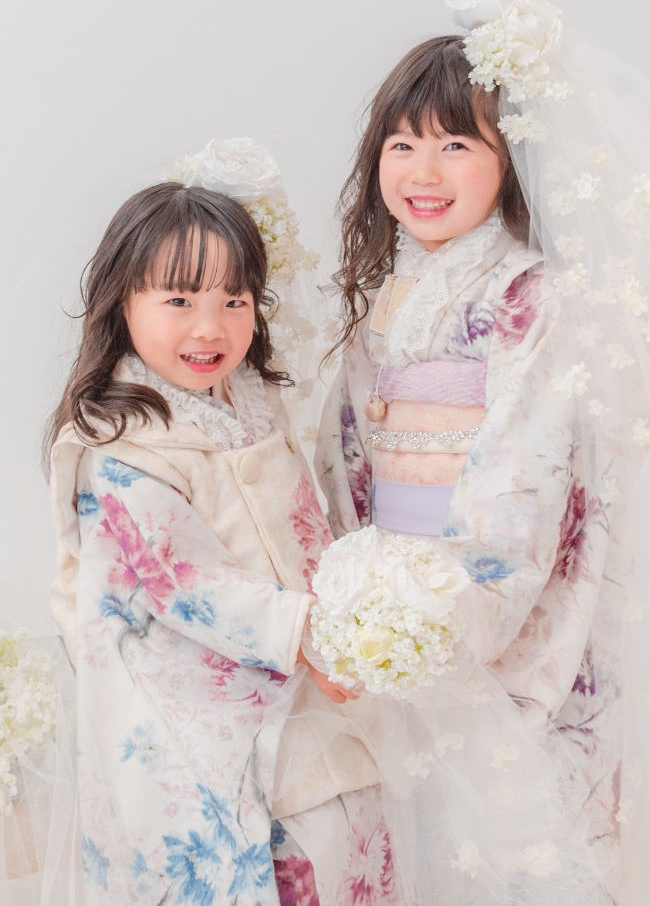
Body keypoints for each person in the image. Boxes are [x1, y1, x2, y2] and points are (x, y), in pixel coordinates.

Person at [313, 0, 650, 903]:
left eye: (456, 146)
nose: (422, 172)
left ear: (512, 158)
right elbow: (348, 454)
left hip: (496, 609)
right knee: (419, 847)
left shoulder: (530, 297)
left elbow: (525, 473)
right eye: (402, 144)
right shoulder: (389, 296)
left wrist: (445, 610)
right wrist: (355, 597)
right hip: (398, 607)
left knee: (522, 853)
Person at [46, 141, 393, 905]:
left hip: (304, 675)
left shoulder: (250, 401)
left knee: (352, 841)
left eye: (234, 301)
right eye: (179, 301)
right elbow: (180, 582)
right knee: (265, 859)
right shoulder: (116, 442)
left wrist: (346, 614)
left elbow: (301, 524)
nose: (210, 327)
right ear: (122, 302)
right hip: (204, 700)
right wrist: (309, 633)